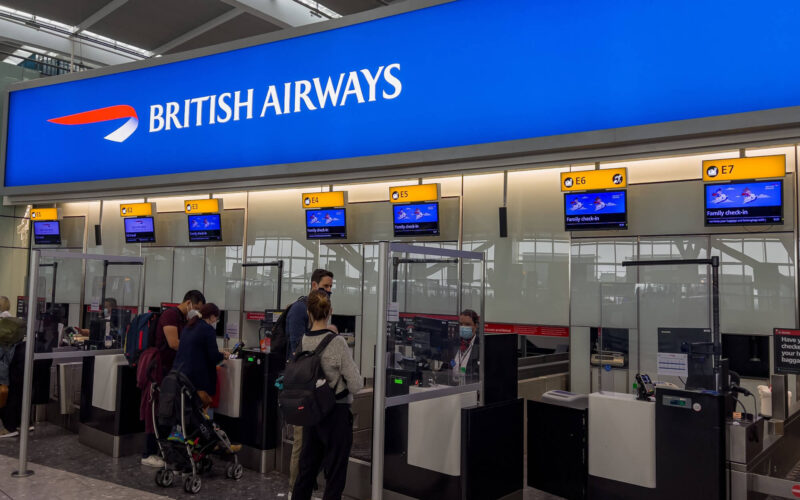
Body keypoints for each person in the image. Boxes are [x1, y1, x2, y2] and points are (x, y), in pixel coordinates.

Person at [292, 290, 363, 500]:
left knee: (307, 469)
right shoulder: (337, 342)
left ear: (309, 312)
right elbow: (357, 384)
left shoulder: (304, 340)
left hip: (311, 413)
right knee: (335, 473)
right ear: (330, 311)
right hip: (335, 413)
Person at [141, 290, 205, 468]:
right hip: (159, 370)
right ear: (189, 303)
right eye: (197, 308)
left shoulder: (183, 319)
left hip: (171, 372)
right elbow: (173, 343)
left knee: (167, 412)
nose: (197, 312)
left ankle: (165, 451)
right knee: (154, 411)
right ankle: (148, 453)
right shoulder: (170, 315)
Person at [287, 269, 335, 490]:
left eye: (331, 287)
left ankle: (307, 484)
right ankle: (294, 488)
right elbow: (299, 346)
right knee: (301, 441)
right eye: (325, 286)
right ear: (314, 285)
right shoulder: (299, 310)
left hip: (318, 385)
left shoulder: (321, 310)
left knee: (315, 441)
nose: (329, 290)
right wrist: (325, 335)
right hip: (301, 385)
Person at [173, 303, 227, 411]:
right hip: (199, 382)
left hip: (181, 376)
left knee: (185, 412)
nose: (216, 321)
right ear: (212, 316)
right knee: (202, 415)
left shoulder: (189, 326)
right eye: (216, 318)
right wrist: (224, 355)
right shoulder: (208, 330)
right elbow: (213, 356)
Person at [453, 309, 480, 380]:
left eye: (467, 324)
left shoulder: (481, 346)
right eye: (461, 324)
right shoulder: (453, 343)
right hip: (451, 387)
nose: (463, 327)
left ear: (476, 325)